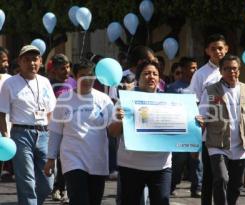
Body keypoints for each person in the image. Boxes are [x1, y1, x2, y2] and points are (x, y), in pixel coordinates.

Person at [198, 54, 245, 205]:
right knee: (222, 178)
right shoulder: (210, 91)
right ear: (221, 71)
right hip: (217, 144)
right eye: (227, 69)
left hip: (241, 145)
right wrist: (194, 144)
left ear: (239, 71)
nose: (231, 72)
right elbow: (203, 119)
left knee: (236, 185)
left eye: (234, 69)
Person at [44, 59, 114, 205]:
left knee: (94, 201)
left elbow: (113, 130)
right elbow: (56, 131)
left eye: (90, 75)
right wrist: (51, 158)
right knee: (79, 200)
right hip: (73, 159)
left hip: (97, 160)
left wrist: (119, 117)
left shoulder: (105, 100)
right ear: (74, 77)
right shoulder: (64, 99)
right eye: (82, 75)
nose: (86, 79)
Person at [108, 60, 172, 205]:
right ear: (138, 78)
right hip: (131, 166)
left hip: (161, 166)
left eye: (155, 74)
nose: (151, 77)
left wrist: (194, 123)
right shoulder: (125, 100)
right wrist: (119, 120)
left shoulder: (169, 101)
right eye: (147, 73)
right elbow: (112, 132)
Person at [0, 45, 56, 205]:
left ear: (41, 61)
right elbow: (1, 114)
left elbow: (51, 111)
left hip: (45, 134)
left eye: (35, 59)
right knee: (27, 182)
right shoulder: (9, 83)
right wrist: (6, 137)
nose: (32, 63)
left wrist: (53, 135)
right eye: (27, 60)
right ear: (19, 62)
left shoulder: (45, 82)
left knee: (47, 183)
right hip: (21, 134)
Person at [189, 33, 229, 205]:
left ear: (226, 49)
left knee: (228, 176)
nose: (217, 52)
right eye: (213, 49)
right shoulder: (200, 74)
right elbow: (193, 100)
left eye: (220, 48)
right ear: (207, 51)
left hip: (229, 131)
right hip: (209, 132)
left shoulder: (232, 71)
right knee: (210, 175)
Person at [167, 57, 202, 198]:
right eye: (191, 67)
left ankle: (197, 188)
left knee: (197, 161)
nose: (194, 70)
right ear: (183, 69)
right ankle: (171, 185)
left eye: (196, 67)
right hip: (179, 131)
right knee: (178, 160)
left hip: (196, 128)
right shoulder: (173, 88)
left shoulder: (200, 86)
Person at [48, 53, 76, 202]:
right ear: (54, 70)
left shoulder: (74, 82)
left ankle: (63, 188)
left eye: (68, 67)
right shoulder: (50, 84)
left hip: (71, 127)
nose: (66, 71)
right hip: (54, 127)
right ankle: (55, 187)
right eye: (62, 68)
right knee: (55, 159)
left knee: (65, 160)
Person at [0, 46, 13, 181]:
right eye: (3, 61)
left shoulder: (10, 80)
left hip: (6, 129)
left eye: (7, 60)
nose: (7, 64)